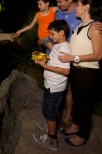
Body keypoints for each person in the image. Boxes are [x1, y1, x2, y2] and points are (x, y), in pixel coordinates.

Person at [44, 0, 102, 129]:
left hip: (76, 62)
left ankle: (69, 117)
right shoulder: (59, 14)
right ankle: (56, 117)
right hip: (60, 58)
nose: (58, 4)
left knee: (72, 93)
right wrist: (47, 39)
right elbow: (46, 18)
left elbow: (96, 28)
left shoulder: (82, 15)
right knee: (60, 89)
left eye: (60, 1)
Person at [58, 0, 102, 146]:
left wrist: (73, 58)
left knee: (84, 105)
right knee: (78, 102)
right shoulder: (80, 26)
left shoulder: (94, 27)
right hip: (77, 71)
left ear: (86, 7)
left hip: (88, 73)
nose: (75, 8)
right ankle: (75, 126)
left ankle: (83, 135)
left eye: (78, 5)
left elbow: (98, 55)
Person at [32, 19, 71, 150]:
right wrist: (44, 59)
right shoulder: (58, 46)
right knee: (54, 110)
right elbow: (55, 61)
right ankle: (52, 125)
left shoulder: (64, 49)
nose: (50, 37)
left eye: (52, 34)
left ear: (62, 32)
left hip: (55, 86)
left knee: (49, 112)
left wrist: (45, 66)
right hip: (52, 84)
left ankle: (51, 139)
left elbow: (66, 70)